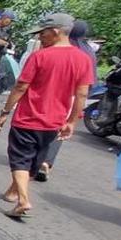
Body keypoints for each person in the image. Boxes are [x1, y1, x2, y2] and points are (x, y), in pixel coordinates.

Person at [0, 13, 94, 218]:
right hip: (54, 122)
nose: (40, 37)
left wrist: (5, 112)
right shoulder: (83, 60)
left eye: (43, 33)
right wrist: (71, 122)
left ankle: (23, 199)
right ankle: (13, 192)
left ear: (56, 32)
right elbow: (82, 93)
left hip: (28, 118)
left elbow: (21, 86)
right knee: (34, 160)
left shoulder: (40, 56)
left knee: (20, 159)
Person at [37, 19, 99, 181]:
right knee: (59, 129)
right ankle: (46, 161)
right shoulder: (89, 53)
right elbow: (89, 84)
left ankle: (34, 158)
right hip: (74, 97)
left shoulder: (59, 48)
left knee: (41, 125)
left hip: (52, 94)